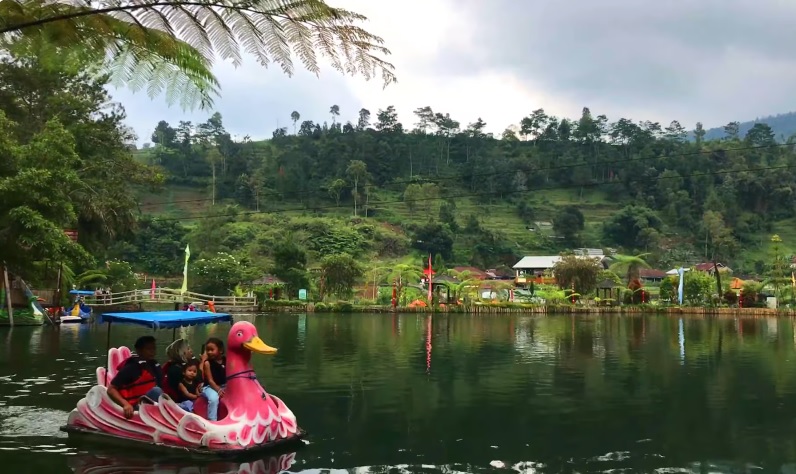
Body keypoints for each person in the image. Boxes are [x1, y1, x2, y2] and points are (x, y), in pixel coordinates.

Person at [107, 336, 163, 419]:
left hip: (154, 405)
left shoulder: (154, 365)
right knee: (156, 391)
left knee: (186, 403)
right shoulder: (131, 367)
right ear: (139, 350)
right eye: (148, 349)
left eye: (154, 348)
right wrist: (125, 404)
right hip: (137, 406)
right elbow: (111, 389)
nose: (152, 352)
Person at [201, 337, 227, 421]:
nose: (209, 352)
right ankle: (212, 420)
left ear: (220, 350)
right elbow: (210, 380)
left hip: (223, 385)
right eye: (207, 350)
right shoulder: (207, 363)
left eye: (212, 350)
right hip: (210, 387)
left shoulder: (226, 360)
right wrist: (218, 390)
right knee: (214, 399)